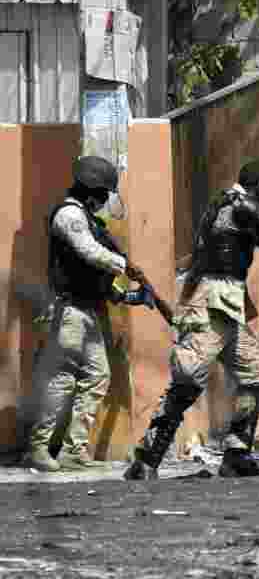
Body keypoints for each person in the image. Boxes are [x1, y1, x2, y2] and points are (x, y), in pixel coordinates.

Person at [124, 158, 259, 480]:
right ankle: (146, 460)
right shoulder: (239, 205)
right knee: (189, 380)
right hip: (208, 305)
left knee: (255, 374)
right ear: (258, 185)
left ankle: (237, 455)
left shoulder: (238, 211)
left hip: (227, 307)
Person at [25, 156, 154, 472]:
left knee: (98, 377)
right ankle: (39, 448)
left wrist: (129, 296)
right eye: (103, 195)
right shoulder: (69, 215)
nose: (103, 203)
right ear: (93, 191)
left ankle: (73, 451)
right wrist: (124, 265)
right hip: (68, 311)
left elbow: (93, 275)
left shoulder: (87, 220)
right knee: (63, 379)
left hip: (87, 310)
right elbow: (89, 253)